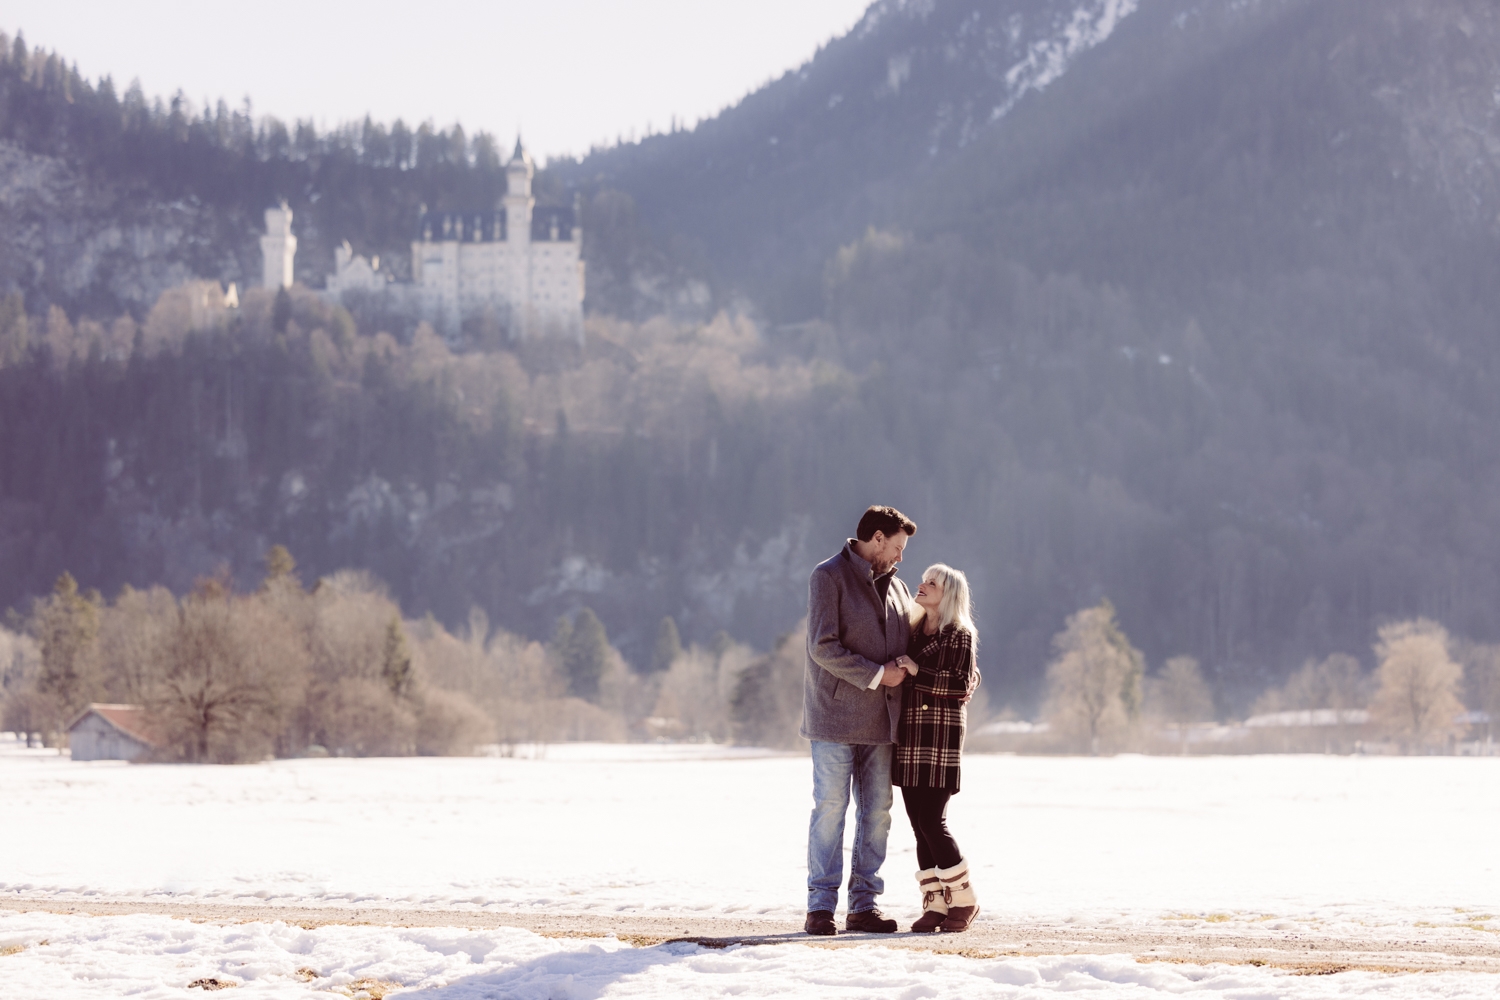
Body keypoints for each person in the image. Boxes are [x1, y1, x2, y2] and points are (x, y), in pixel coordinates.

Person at [801, 505, 917, 936]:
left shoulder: (900, 589)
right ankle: (820, 908)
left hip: (882, 725)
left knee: (878, 814)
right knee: (830, 810)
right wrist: (876, 674)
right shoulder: (827, 576)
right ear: (878, 538)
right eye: (899, 547)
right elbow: (822, 646)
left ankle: (864, 906)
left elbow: (916, 646)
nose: (901, 557)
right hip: (833, 720)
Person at [893, 563, 982, 932]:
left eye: (933, 583)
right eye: (924, 579)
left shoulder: (958, 633)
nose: (923, 584)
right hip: (910, 737)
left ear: (949, 595)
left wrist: (916, 671)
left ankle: (964, 900)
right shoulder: (913, 630)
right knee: (918, 826)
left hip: (939, 739)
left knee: (933, 821)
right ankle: (935, 904)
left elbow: (960, 683)